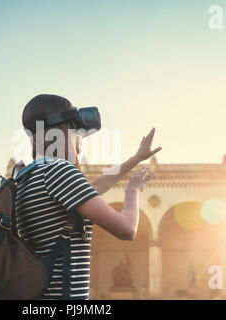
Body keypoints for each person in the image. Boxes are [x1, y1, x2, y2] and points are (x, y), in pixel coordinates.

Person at [16, 94, 161, 300]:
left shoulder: (30, 174)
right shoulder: (59, 171)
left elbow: (93, 188)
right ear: (63, 130)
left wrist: (135, 159)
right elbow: (127, 229)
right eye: (77, 129)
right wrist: (132, 192)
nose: (81, 138)